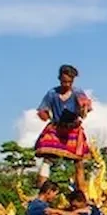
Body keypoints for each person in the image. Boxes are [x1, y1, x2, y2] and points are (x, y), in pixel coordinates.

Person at [34, 63, 93, 192]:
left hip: (73, 129)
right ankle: (42, 192)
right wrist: (44, 115)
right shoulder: (52, 93)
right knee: (47, 159)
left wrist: (84, 108)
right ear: (59, 79)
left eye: (69, 82)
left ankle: (82, 194)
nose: (67, 84)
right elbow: (42, 110)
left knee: (78, 163)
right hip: (57, 128)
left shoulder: (77, 92)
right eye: (64, 81)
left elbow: (85, 106)